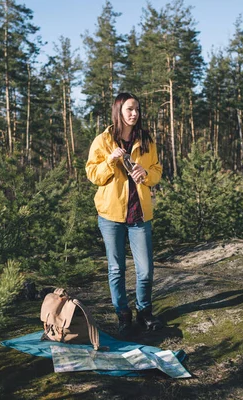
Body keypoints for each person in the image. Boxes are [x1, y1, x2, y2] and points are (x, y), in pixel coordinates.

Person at [85, 92, 164, 337]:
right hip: (111, 216)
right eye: (130, 109)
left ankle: (144, 312)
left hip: (139, 214)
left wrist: (146, 175)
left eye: (137, 109)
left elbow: (157, 170)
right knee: (116, 269)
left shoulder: (146, 140)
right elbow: (92, 174)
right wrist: (110, 160)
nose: (134, 114)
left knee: (146, 269)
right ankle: (123, 315)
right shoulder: (103, 140)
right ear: (119, 111)